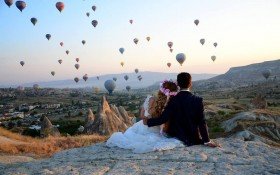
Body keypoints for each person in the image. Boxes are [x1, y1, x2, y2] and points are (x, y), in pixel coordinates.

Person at [106, 80, 184, 153]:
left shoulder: (150, 99)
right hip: (155, 129)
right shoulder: (168, 105)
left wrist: (146, 118)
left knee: (130, 136)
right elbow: (163, 120)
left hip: (141, 126)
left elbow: (142, 115)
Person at [143, 72, 219, 147]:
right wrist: (207, 141)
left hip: (176, 137)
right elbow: (201, 122)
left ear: (178, 84)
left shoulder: (173, 100)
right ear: (190, 84)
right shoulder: (198, 100)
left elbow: (163, 119)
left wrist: (148, 122)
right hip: (192, 139)